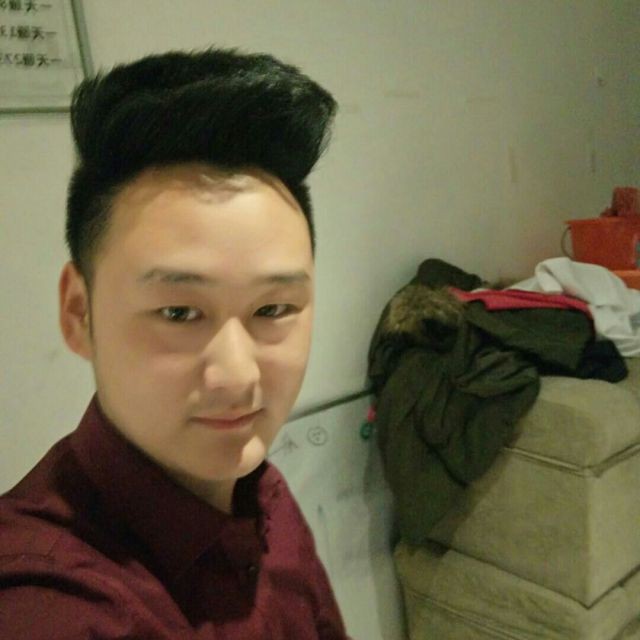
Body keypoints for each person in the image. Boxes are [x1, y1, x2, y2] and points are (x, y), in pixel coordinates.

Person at [0, 47, 348, 639]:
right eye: (180, 312)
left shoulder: (262, 497)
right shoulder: (50, 605)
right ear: (79, 312)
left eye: (272, 309)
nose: (238, 377)